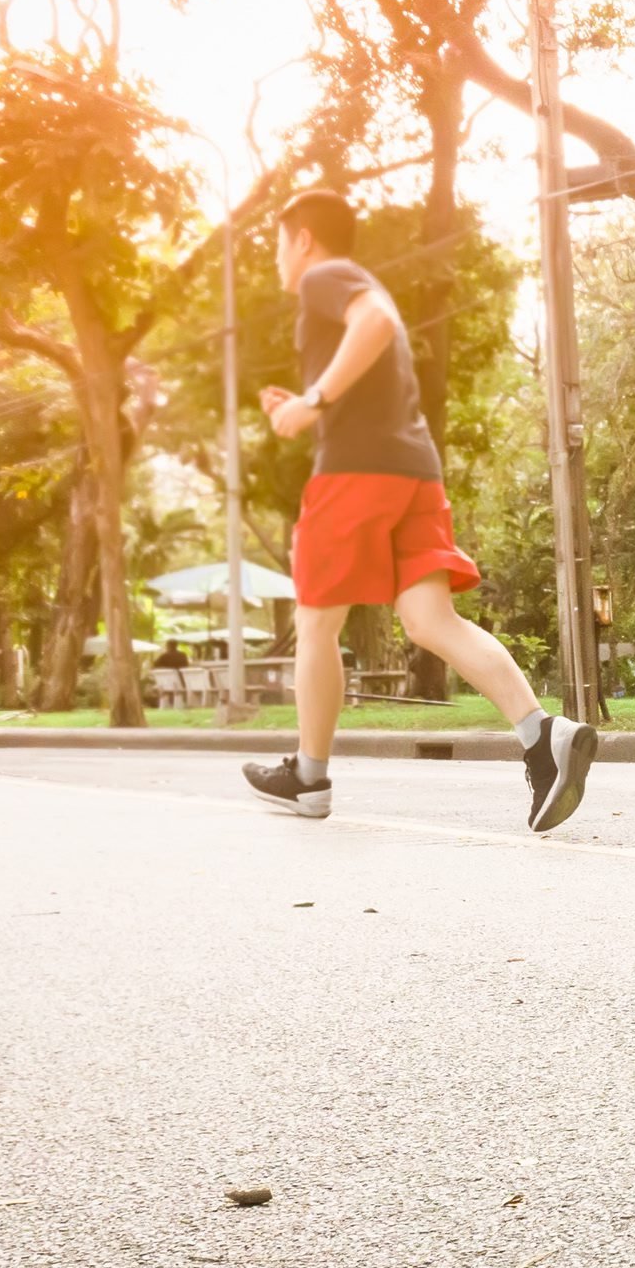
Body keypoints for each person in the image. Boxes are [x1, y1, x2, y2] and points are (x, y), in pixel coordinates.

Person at [241, 190, 595, 830]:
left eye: (275, 245)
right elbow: (372, 341)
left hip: (355, 471)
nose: (275, 260)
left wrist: (314, 401)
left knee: (317, 623)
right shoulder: (342, 283)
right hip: (413, 469)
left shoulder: (325, 275)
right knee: (430, 619)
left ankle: (308, 777)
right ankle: (543, 737)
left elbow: (375, 320)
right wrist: (303, 404)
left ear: (302, 239)